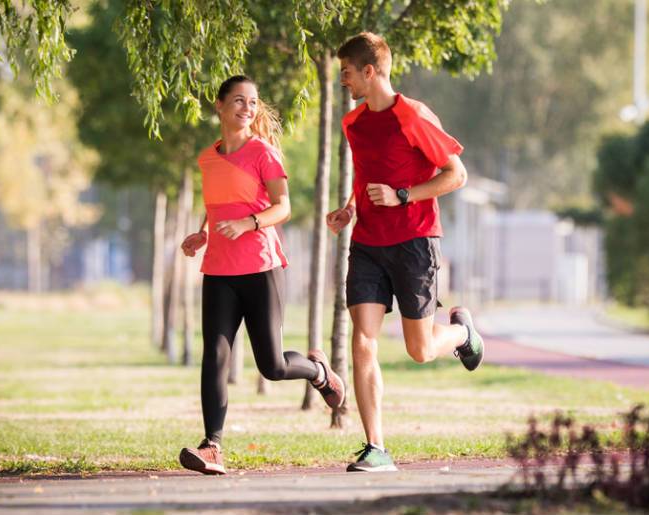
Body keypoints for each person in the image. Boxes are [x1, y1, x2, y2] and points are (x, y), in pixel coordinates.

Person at [326, 32, 485, 473]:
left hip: (415, 241)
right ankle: (376, 446)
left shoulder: (412, 116)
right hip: (368, 244)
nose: (344, 81)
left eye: (348, 73)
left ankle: (463, 334)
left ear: (370, 72)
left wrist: (403, 195)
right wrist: (349, 209)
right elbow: (365, 176)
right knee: (363, 339)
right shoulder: (353, 123)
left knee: (420, 350)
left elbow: (457, 174)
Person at [178, 75, 345, 475]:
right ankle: (212, 446)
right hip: (218, 268)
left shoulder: (263, 152)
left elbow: (282, 207)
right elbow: (219, 204)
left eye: (252, 102)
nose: (247, 109)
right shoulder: (207, 157)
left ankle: (319, 372)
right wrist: (202, 232)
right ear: (218, 106)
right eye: (238, 101)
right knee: (214, 355)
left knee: (271, 365)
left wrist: (250, 223)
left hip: (260, 267)